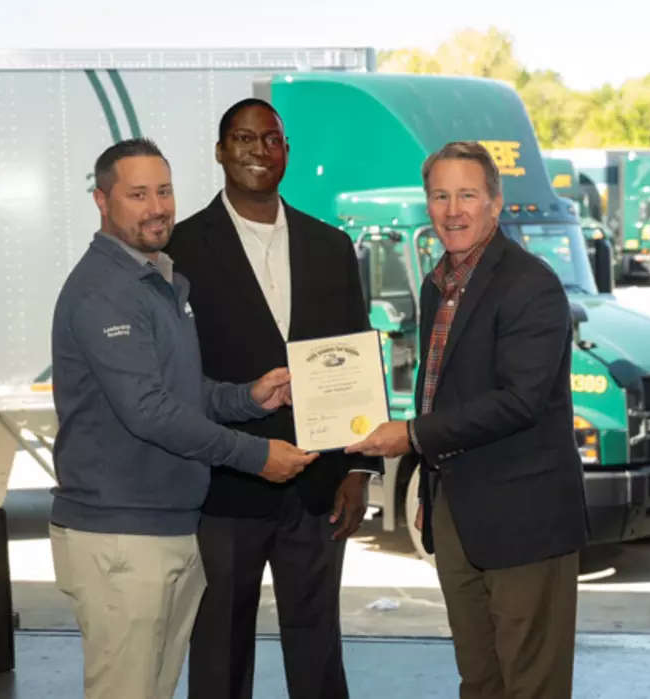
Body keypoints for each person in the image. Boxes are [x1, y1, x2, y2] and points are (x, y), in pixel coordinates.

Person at [49, 137, 317, 699]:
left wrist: (250, 398)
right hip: (122, 535)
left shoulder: (158, 280)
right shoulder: (105, 291)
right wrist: (255, 456)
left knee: (156, 688)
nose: (157, 207)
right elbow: (148, 411)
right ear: (102, 201)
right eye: (138, 194)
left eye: (164, 191)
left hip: (167, 526)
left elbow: (180, 390)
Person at [346, 141, 590, 699]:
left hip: (524, 520)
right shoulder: (440, 286)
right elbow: (445, 392)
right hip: (457, 511)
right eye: (440, 195)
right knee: (479, 680)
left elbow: (519, 401)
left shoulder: (531, 285)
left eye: (467, 195)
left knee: (532, 683)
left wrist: (409, 434)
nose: (452, 210)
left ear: (495, 204)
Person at [163, 98, 384, 699]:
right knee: (219, 651)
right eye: (243, 138)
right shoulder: (178, 251)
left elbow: (357, 356)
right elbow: (176, 378)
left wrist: (360, 468)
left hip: (318, 487)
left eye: (271, 139)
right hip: (225, 487)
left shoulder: (330, 245)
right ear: (219, 151)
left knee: (317, 648)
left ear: (286, 151)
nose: (259, 151)